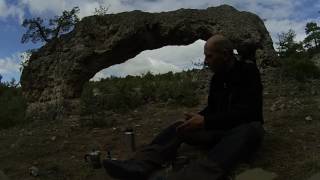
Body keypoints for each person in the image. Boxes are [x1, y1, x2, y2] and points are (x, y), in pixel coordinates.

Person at [103, 34, 265, 180]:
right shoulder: (217, 79)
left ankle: (194, 176)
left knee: (249, 129)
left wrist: (205, 121)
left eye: (209, 56)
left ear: (225, 55)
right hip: (219, 131)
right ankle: (139, 164)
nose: (205, 61)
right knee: (180, 126)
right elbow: (212, 109)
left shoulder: (248, 71)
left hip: (242, 131)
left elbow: (249, 112)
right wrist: (197, 119)